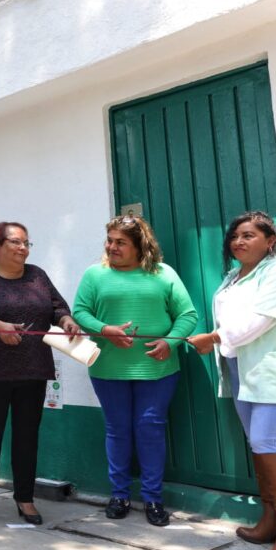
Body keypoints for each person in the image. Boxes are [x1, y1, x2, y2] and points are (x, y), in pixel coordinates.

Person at [73, 215, 197, 527]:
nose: (111, 247)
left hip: (158, 368)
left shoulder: (163, 273)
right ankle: (119, 495)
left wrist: (170, 341)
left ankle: (153, 498)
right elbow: (80, 312)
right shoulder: (94, 275)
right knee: (117, 429)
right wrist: (105, 329)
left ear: (140, 246)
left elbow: (187, 314)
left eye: (120, 242)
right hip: (108, 368)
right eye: (110, 240)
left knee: (150, 428)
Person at [0, 221, 80, 526]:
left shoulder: (37, 275)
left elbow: (57, 307)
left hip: (33, 368)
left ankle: (25, 499)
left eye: (26, 243)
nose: (23, 248)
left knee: (27, 437)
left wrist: (66, 321)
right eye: (15, 242)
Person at [188, 211, 276, 550]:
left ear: (270, 241)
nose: (238, 241)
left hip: (274, 370)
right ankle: (269, 520)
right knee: (257, 444)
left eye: (248, 235)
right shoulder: (233, 277)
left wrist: (213, 337)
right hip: (239, 368)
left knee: (267, 441)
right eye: (235, 236)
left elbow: (260, 320)